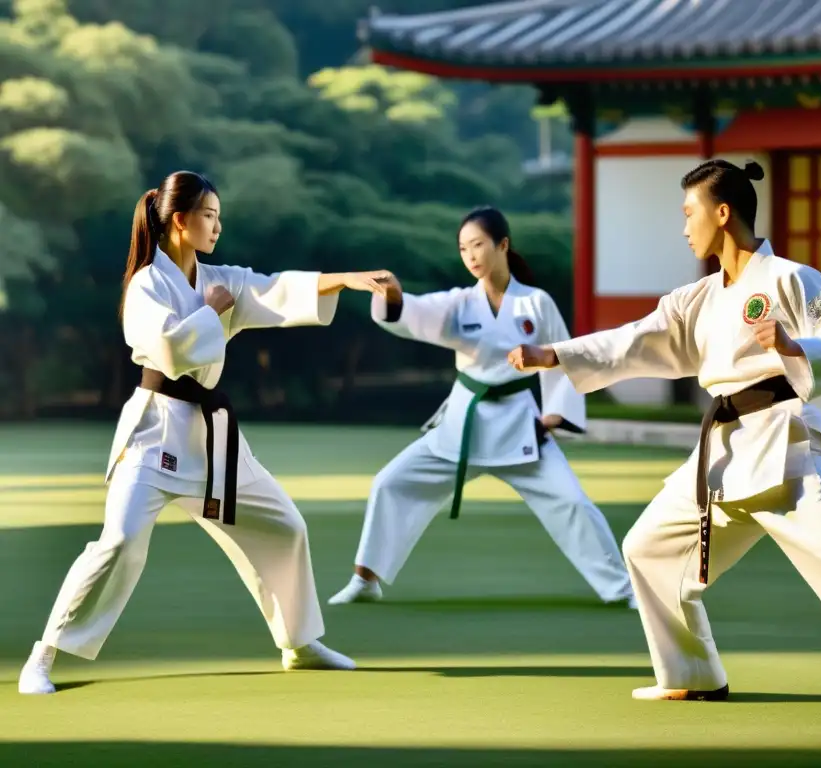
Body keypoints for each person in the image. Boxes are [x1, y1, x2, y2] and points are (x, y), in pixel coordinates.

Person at [507, 159, 821, 733]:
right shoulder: (696, 297)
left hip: (787, 445)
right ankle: (692, 672)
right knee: (647, 549)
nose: (684, 226)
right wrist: (555, 355)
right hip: (722, 452)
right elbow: (635, 339)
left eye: (690, 213)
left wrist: (793, 346)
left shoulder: (792, 278)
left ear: (723, 212)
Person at [18, 170, 393, 695]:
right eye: (209, 216)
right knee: (120, 542)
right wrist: (213, 310)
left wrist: (344, 279)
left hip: (212, 440)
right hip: (154, 436)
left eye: (219, 217)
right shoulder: (147, 283)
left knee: (285, 525)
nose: (218, 226)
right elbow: (171, 353)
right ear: (179, 220)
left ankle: (299, 643)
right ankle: (43, 656)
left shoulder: (222, 277)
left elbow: (277, 290)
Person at [327, 206, 635, 608]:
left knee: (573, 502)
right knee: (391, 483)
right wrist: (394, 295)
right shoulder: (458, 304)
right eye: (463, 249)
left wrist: (555, 415)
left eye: (478, 245)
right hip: (464, 424)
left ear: (502, 245)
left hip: (520, 428)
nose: (471, 256)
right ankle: (365, 580)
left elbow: (563, 356)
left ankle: (624, 589)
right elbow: (414, 314)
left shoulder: (536, 304)